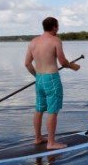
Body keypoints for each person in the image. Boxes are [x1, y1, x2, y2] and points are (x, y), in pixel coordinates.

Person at [25, 17, 80, 150]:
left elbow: (27, 63)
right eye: (58, 26)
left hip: (39, 79)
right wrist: (73, 66)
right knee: (52, 111)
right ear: (54, 27)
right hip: (52, 79)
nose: (58, 29)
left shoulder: (33, 42)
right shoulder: (55, 40)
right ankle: (51, 143)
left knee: (39, 109)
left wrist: (37, 77)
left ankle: (38, 138)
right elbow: (63, 62)